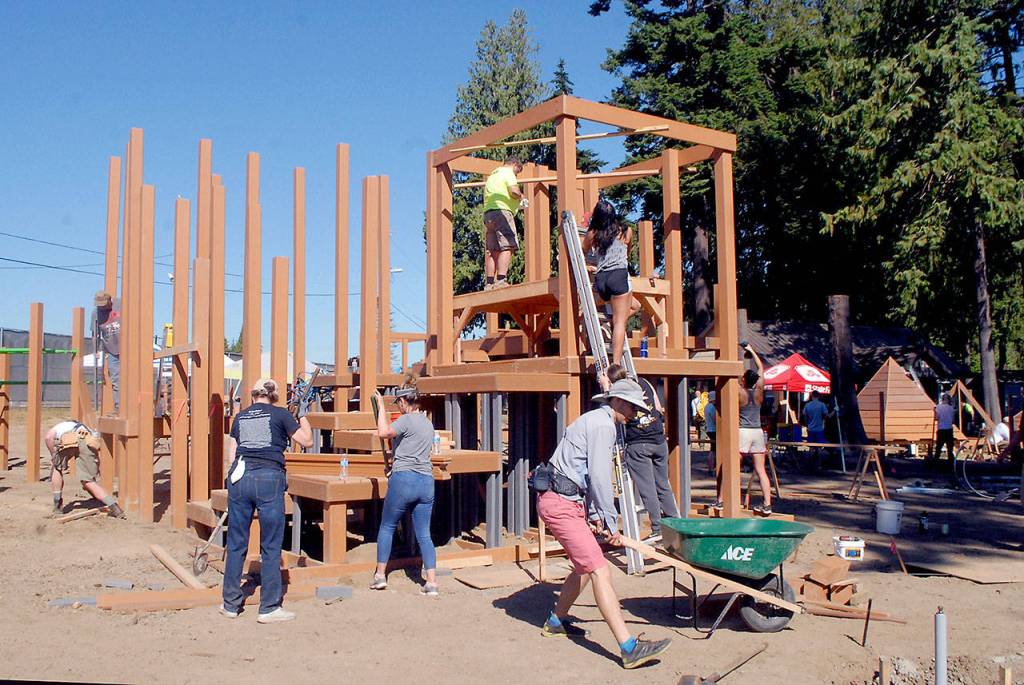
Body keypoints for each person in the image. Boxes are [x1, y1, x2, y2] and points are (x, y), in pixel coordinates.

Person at [536, 378, 672, 669]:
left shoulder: (599, 421)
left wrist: (597, 516)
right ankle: (628, 646)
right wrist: (611, 524)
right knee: (599, 569)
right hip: (560, 503)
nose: (634, 414)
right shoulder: (602, 425)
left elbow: (585, 475)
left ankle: (555, 621)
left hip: (566, 501)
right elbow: (598, 477)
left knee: (584, 568)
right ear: (619, 402)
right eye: (633, 408)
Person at [221, 378, 312, 623]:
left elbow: (231, 454)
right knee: (270, 546)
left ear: (253, 396)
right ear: (274, 396)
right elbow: (307, 441)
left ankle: (230, 604)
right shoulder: (280, 414)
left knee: (237, 542)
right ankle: (269, 607)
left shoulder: (240, 417)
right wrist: (303, 414)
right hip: (269, 478)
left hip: (240, 479)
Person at [370, 385, 439, 596]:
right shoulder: (428, 424)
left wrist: (380, 406)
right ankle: (432, 583)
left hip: (404, 480)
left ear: (402, 402)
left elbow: (383, 433)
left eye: (397, 404)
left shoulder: (406, 420)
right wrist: (393, 465)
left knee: (388, 526)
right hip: (426, 481)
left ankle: (380, 575)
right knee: (424, 534)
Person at [605, 365, 679, 540]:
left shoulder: (620, 393)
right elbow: (659, 407)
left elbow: (614, 407)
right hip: (659, 441)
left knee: (647, 488)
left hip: (639, 443)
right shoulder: (644, 382)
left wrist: (605, 386)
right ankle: (675, 523)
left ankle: (658, 528)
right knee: (663, 484)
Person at [583, 199, 640, 365]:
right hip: (618, 277)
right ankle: (615, 364)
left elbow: (582, 251)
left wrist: (587, 266)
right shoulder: (625, 231)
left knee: (635, 305)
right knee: (620, 323)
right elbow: (627, 252)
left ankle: (610, 321)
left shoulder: (594, 233)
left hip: (602, 280)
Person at [45, 420, 125, 518]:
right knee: (88, 481)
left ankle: (57, 504)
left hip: (68, 439)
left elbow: (49, 437)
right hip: (88, 440)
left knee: (57, 468)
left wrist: (53, 455)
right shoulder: (86, 428)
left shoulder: (58, 428)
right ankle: (114, 507)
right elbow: (95, 447)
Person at [482, 156, 526, 290]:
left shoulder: (493, 174)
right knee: (508, 246)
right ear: (514, 165)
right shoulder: (508, 173)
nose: (516, 175)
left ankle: (489, 283)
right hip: (502, 212)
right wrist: (522, 197)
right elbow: (513, 191)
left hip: (488, 213)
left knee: (492, 250)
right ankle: (501, 280)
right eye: (517, 171)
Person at [740, 344, 772, 516]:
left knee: (733, 466)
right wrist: (751, 350)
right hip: (758, 431)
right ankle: (767, 503)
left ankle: (725, 500)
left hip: (743, 431)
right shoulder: (759, 391)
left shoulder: (740, 393)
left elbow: (736, 373)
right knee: (761, 470)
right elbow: (760, 367)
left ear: (744, 380)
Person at [91, 291, 121, 409]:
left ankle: (136, 406)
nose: (102, 307)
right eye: (99, 305)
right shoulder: (96, 313)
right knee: (116, 380)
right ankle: (119, 407)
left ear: (110, 300)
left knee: (133, 378)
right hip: (112, 350)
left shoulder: (121, 304)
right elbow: (95, 333)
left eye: (104, 304)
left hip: (128, 348)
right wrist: (96, 350)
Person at [933, 393, 956, 461]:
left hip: (941, 429)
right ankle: (950, 462)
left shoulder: (938, 407)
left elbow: (936, 418)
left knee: (939, 447)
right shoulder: (951, 408)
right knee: (949, 447)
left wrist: (935, 412)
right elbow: (953, 420)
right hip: (949, 429)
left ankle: (936, 460)